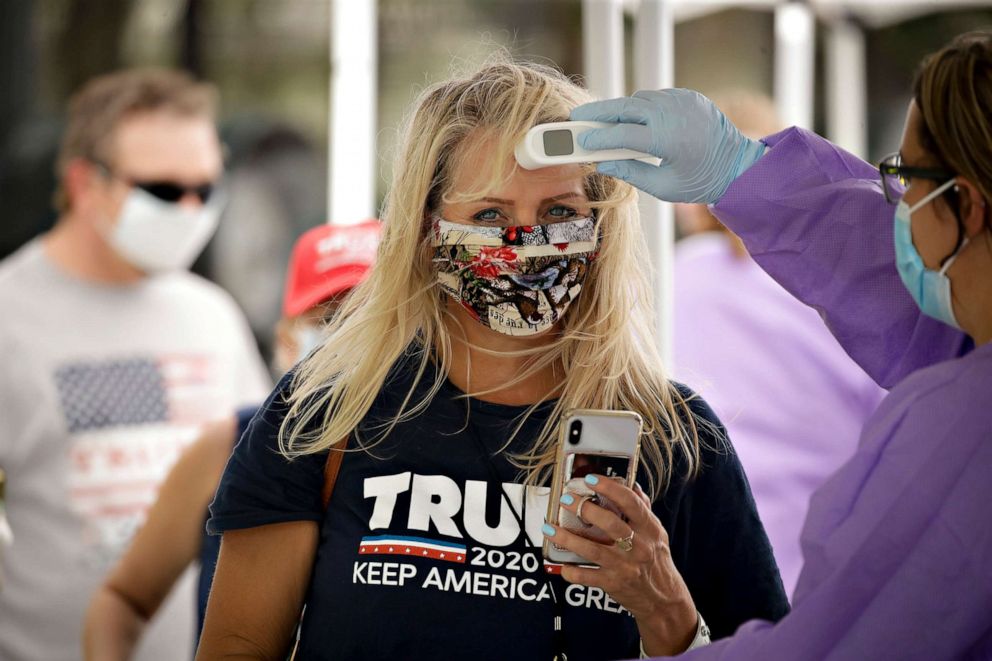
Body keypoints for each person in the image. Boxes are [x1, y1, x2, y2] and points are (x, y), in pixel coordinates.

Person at [197, 56, 789, 661]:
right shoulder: (329, 410)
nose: (527, 242)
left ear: (601, 227)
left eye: (559, 212)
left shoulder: (677, 438)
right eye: (490, 215)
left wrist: (671, 618)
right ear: (428, 229)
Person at [570, 29, 992, 659]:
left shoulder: (964, 429)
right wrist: (741, 172)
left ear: (967, 203)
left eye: (904, 180)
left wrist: (674, 631)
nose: (895, 206)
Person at [0, 69, 271, 661]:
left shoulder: (212, 314)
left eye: (208, 188)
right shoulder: (9, 315)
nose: (193, 209)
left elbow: (256, 482)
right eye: (166, 192)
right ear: (83, 184)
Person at [82, 220, 381, 660]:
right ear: (287, 340)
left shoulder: (444, 456)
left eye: (375, 316)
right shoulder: (228, 445)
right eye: (331, 319)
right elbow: (123, 600)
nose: (353, 338)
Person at [672, 92, 885, 596]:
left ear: (684, 195)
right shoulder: (841, 283)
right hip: (833, 571)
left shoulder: (671, 282)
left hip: (705, 568)